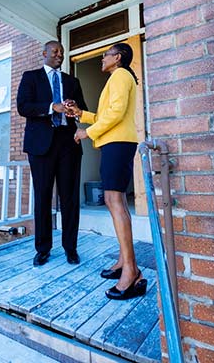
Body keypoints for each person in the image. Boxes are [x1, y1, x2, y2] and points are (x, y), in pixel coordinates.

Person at [65, 42, 146, 300]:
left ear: (118, 58)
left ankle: (131, 271)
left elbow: (116, 114)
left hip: (118, 143)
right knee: (117, 200)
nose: (102, 58)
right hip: (115, 142)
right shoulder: (117, 78)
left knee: (113, 200)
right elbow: (105, 114)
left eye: (106, 54)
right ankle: (124, 261)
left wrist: (86, 132)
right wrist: (81, 114)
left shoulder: (121, 75)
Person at [16, 41, 88, 266]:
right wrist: (51, 107)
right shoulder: (31, 77)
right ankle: (43, 249)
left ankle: (71, 248)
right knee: (43, 197)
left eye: (62, 53)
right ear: (44, 53)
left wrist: (75, 108)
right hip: (41, 146)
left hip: (68, 144)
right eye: (55, 52)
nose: (60, 55)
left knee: (70, 198)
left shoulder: (71, 81)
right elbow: (23, 107)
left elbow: (82, 111)